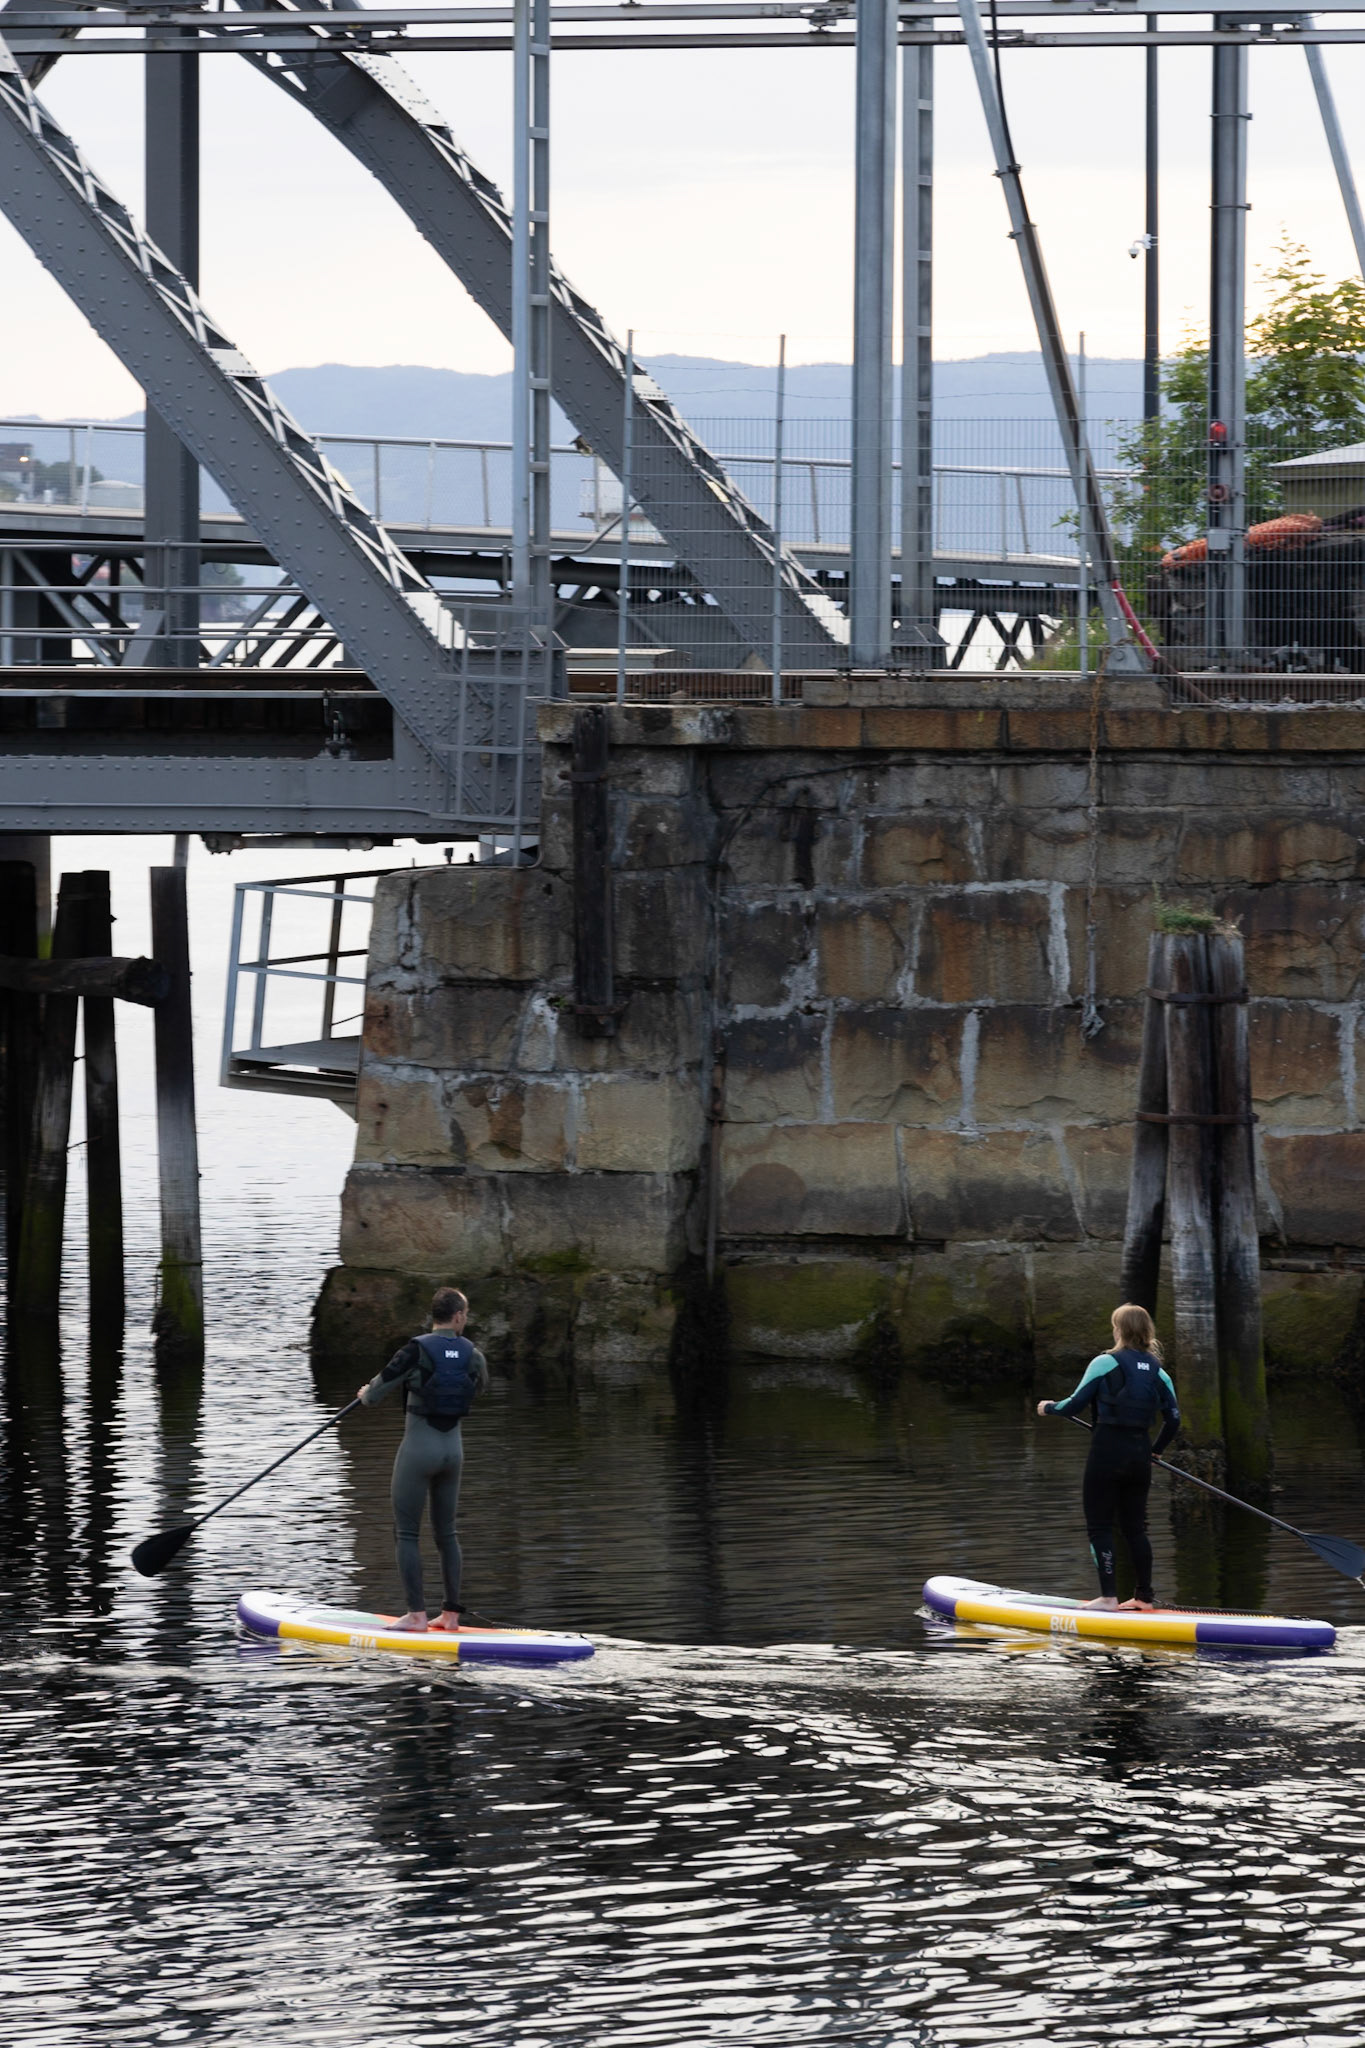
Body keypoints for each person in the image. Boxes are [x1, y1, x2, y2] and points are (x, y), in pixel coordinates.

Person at [357, 1285, 489, 1633]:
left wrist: (365, 1392)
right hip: (453, 1453)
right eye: (466, 1314)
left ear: (436, 1315)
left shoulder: (415, 1350)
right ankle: (451, 1616)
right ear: (458, 1316)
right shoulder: (473, 1353)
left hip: (419, 1452)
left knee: (407, 1533)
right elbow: (480, 1387)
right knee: (447, 1532)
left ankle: (416, 1615)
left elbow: (375, 1395)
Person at [1036, 1302, 1180, 1611]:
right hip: (1140, 1456)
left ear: (1119, 1330)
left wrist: (1049, 1407)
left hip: (1107, 1453)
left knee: (1100, 1526)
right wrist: (1155, 1450)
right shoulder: (1160, 1373)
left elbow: (1073, 1405)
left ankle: (1108, 1597)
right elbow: (1174, 1420)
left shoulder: (1105, 1362)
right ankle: (1144, 1597)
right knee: (1136, 1529)